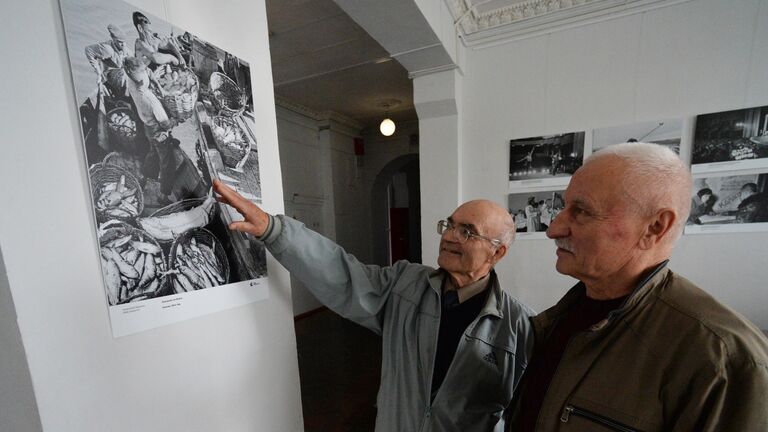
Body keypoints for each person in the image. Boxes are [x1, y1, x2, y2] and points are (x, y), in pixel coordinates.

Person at [213, 180, 534, 432]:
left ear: (497, 253)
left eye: (467, 232)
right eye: (449, 225)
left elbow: (527, 412)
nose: (449, 236)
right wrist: (274, 230)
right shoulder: (406, 284)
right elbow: (340, 273)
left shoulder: (519, 326)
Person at [509, 142, 768, 431]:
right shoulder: (558, 320)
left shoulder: (722, 358)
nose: (553, 229)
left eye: (581, 211)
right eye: (563, 207)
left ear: (656, 227)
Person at [85, 24, 130, 97]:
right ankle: (124, 97)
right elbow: (88, 50)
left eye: (124, 41)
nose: (123, 44)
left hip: (121, 74)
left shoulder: (125, 48)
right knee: (124, 74)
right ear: (113, 38)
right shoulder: (107, 49)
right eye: (120, 42)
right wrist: (98, 71)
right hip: (109, 74)